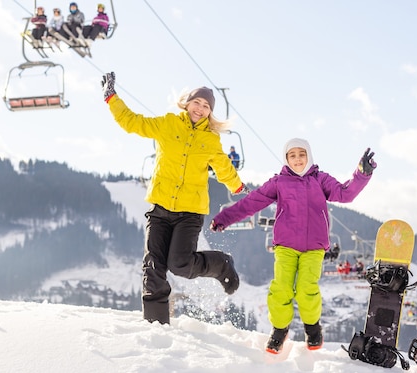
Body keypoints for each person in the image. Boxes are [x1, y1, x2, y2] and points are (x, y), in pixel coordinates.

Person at [100, 72, 250, 325]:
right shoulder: (167, 124)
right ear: (187, 103)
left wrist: (238, 187)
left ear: (210, 113)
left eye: (206, 106)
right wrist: (111, 98)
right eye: (197, 103)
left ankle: (221, 264)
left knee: (180, 265)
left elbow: (224, 167)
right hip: (160, 208)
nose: (200, 109)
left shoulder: (210, 140)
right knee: (153, 267)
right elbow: (132, 123)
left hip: (189, 214)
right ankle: (155, 326)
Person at [210, 138, 376, 354]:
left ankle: (312, 327)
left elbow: (346, 193)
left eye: (302, 154)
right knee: (281, 289)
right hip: (286, 246)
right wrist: (224, 218)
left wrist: (362, 174)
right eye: (292, 155)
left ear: (309, 156)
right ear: (286, 159)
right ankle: (279, 330)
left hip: (314, 247)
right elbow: (251, 202)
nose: (298, 159)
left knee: (307, 288)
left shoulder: (320, 179)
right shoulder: (279, 182)